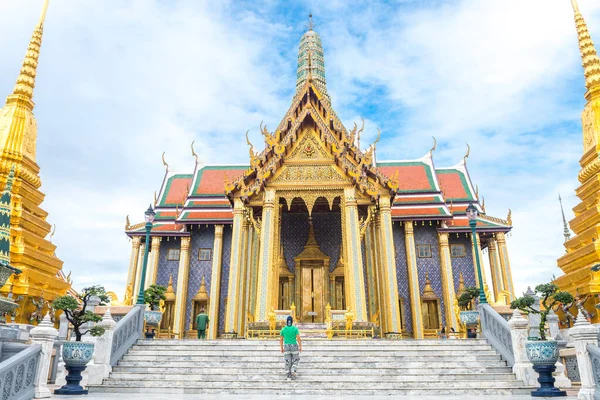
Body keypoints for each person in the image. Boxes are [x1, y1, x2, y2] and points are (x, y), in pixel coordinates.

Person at [280, 315, 302, 380]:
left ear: (286, 322)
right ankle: (293, 369)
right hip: (294, 346)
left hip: (286, 346)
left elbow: (281, 339)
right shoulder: (295, 329)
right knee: (296, 359)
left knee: (287, 360)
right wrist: (300, 346)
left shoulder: (283, 329)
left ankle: (288, 375)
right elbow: (298, 338)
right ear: (292, 322)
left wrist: (281, 348)